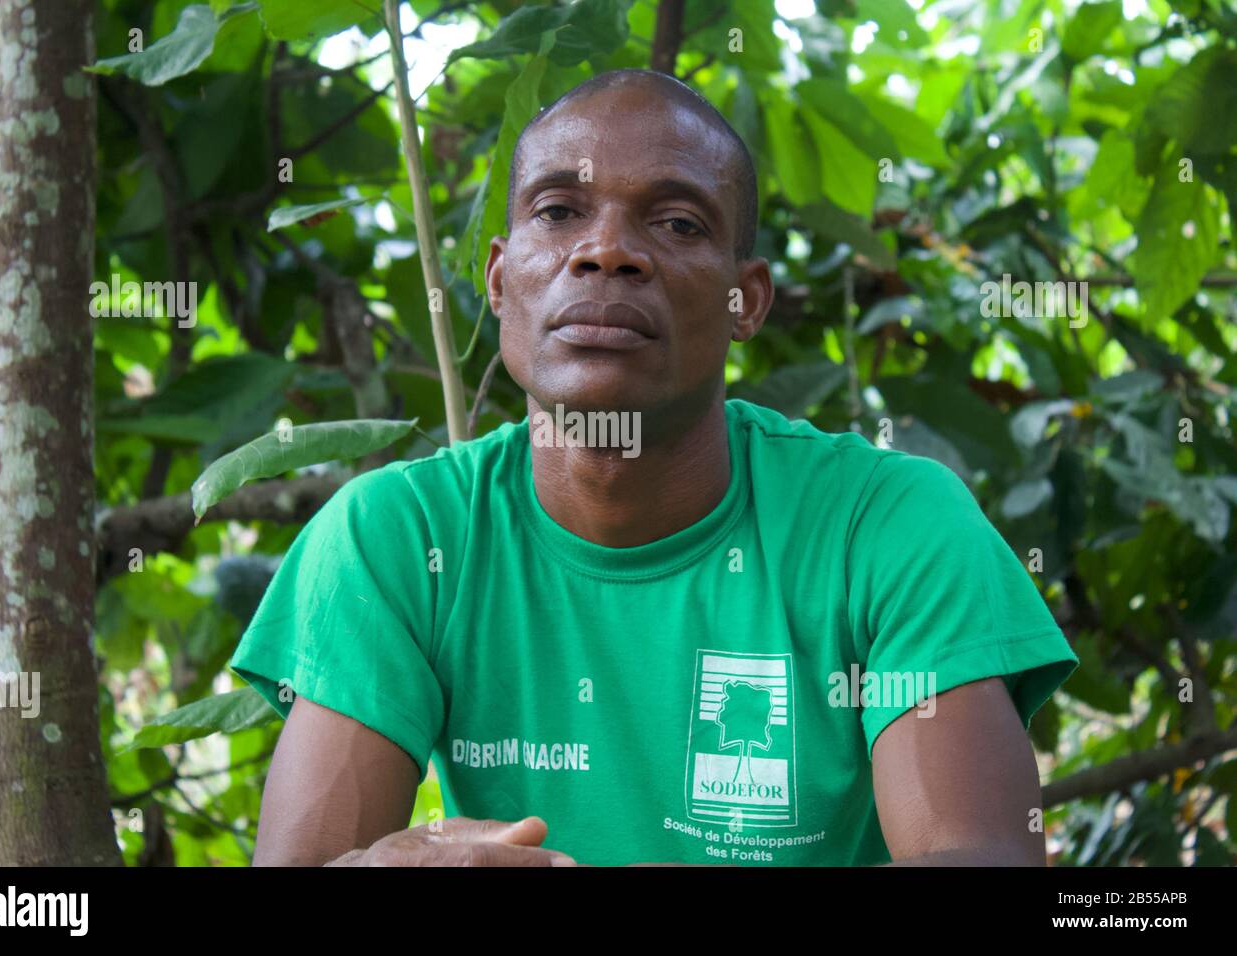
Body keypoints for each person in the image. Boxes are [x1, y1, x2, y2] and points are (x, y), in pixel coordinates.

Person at [229, 68, 1078, 866]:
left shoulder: (890, 524)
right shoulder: (394, 538)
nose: (606, 252)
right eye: (558, 211)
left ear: (746, 299)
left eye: (677, 223)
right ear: (496, 278)